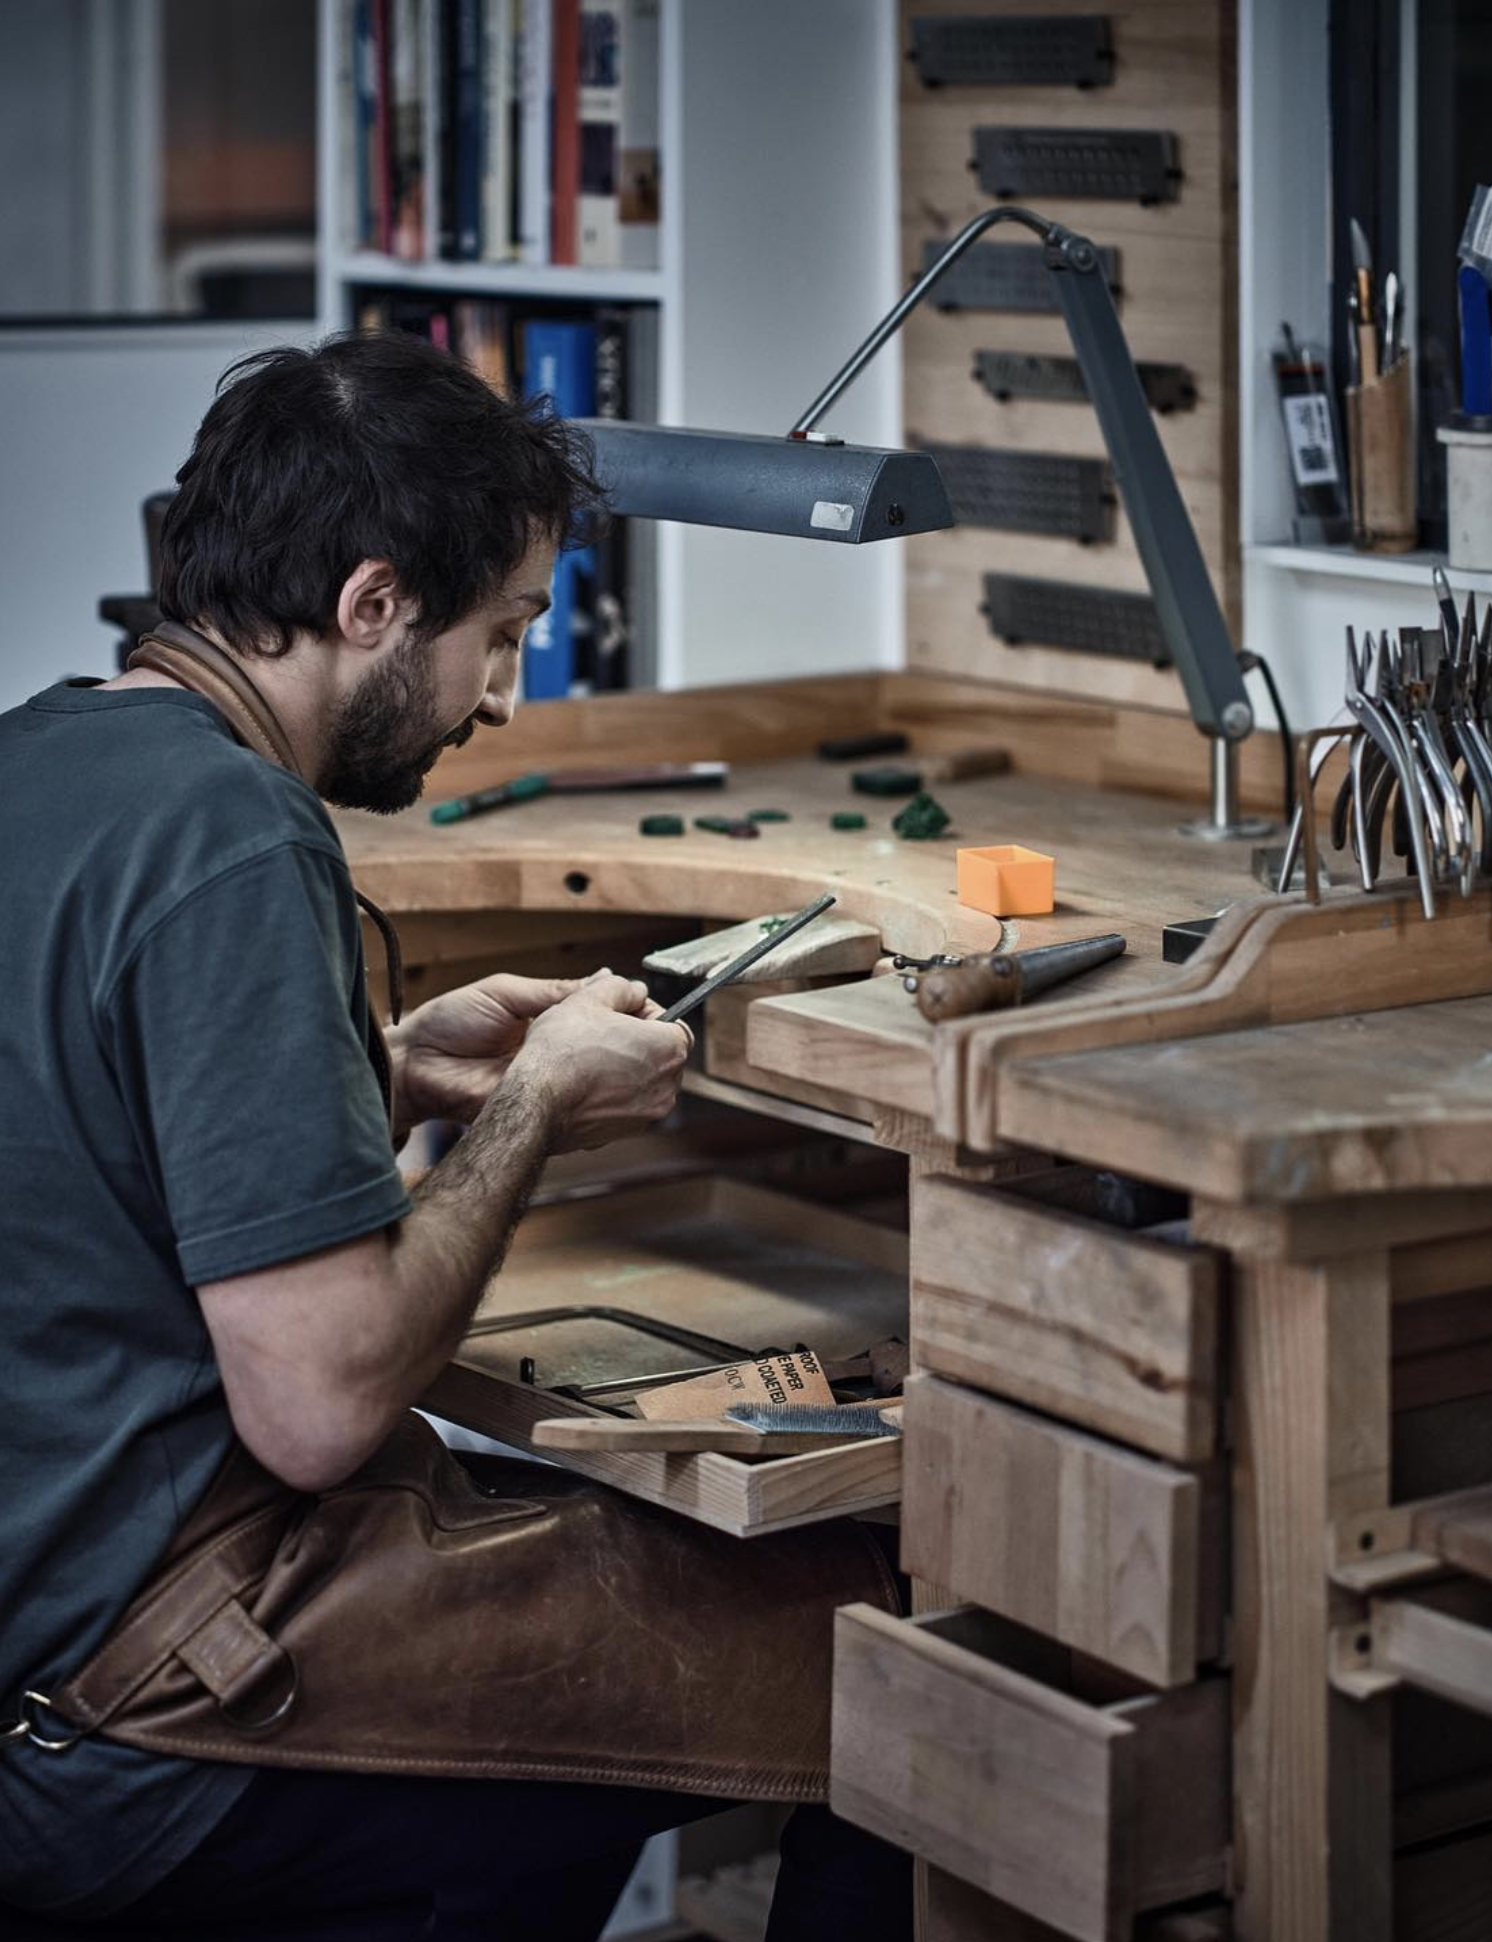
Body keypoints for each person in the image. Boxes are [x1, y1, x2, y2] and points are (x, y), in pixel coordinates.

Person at [0, 332, 910, 1939]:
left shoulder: (42, 757)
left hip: (47, 1626)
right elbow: (323, 1401)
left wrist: (387, 1070)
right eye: (501, 634)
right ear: (373, 604)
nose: (501, 694)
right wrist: (539, 1104)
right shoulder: (235, 837)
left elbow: (93, 1135)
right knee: (894, 1648)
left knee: (562, 1702)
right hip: (149, 1694)